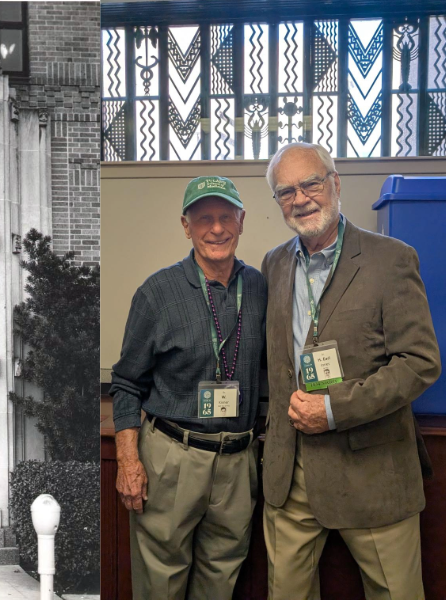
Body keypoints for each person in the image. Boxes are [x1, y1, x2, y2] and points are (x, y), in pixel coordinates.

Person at [261, 142, 441, 600]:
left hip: (371, 471)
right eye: (286, 191)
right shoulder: (274, 264)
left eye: (311, 183)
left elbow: (419, 363)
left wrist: (334, 409)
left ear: (336, 184)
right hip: (291, 476)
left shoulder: (391, 259)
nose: (300, 198)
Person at [111, 176, 267, 599]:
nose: (216, 229)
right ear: (186, 226)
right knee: (160, 583)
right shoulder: (157, 293)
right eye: (203, 219)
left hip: (238, 463)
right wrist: (128, 462)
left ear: (242, 220)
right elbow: (125, 383)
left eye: (225, 217)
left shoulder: (260, 288)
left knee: (222, 581)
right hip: (172, 460)